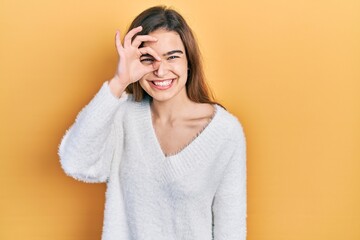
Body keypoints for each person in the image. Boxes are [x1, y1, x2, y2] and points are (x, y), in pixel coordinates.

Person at [58, 5, 246, 240]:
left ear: (189, 61)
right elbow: (76, 163)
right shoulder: (122, 117)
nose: (160, 70)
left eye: (172, 57)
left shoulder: (225, 132)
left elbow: (231, 229)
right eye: (148, 59)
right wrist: (119, 81)